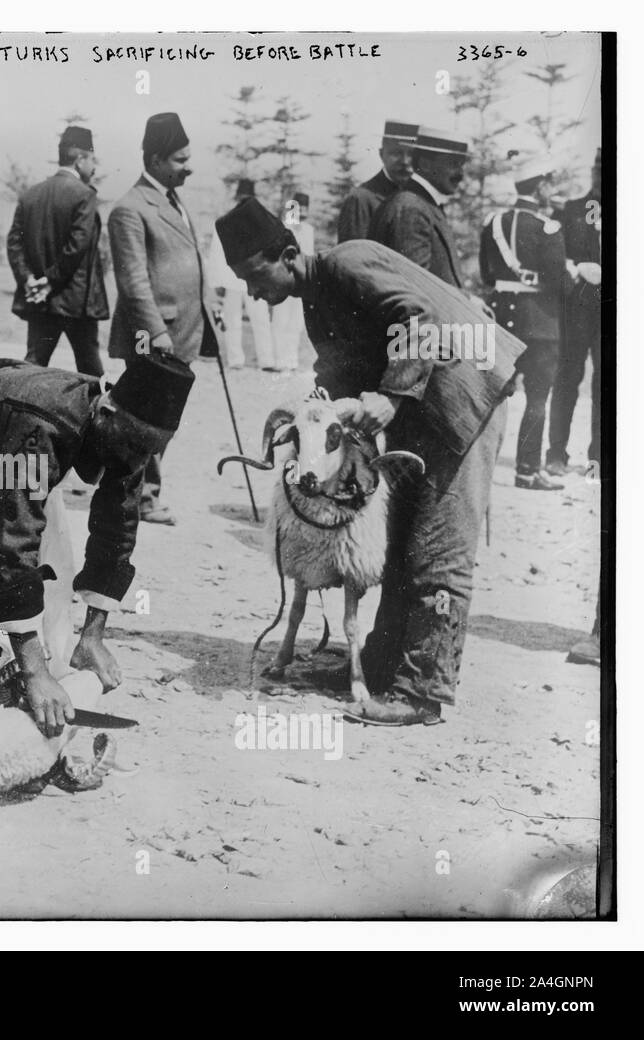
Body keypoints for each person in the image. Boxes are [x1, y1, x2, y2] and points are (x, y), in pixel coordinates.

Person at [218, 198, 526, 727]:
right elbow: (339, 371)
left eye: (254, 275)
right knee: (401, 538)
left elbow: (418, 316)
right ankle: (379, 668)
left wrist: (392, 396)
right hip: (424, 408)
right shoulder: (318, 297)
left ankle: (422, 692)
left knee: (439, 545)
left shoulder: (347, 262)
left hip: (464, 397)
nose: (253, 292)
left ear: (288, 254)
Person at [0, 353, 193, 734]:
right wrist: (36, 671)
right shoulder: (47, 425)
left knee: (53, 577)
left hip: (16, 443)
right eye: (137, 445)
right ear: (105, 412)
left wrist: (93, 635)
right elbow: (16, 538)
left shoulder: (129, 431)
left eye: (151, 449)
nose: (139, 458)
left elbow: (117, 527)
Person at [108, 112, 215, 526]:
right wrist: (155, 333)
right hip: (155, 339)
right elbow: (133, 281)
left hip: (183, 331)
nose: (188, 167)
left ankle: (139, 493)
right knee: (146, 421)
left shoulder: (172, 199)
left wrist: (209, 304)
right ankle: (140, 498)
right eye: (179, 160)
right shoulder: (129, 209)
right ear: (154, 160)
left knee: (162, 419)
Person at [480, 158, 573, 491]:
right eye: (549, 183)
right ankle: (526, 471)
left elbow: (487, 276)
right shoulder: (548, 228)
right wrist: (572, 274)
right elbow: (559, 284)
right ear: (540, 186)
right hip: (539, 325)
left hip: (499, 319)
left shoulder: (493, 224)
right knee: (536, 398)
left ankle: (475, 469)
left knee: (487, 395)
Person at [6, 125, 109, 378]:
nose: (94, 167)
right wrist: (50, 282)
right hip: (76, 303)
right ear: (80, 159)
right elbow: (77, 246)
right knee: (91, 372)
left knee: (31, 369)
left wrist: (29, 280)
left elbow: (13, 244)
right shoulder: (84, 195)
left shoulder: (31, 194)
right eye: (92, 159)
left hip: (39, 302)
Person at [548, 147, 603, 477]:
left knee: (607, 384)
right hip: (576, 310)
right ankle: (556, 453)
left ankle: (599, 459)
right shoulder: (570, 211)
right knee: (567, 379)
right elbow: (553, 259)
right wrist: (577, 267)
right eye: (598, 168)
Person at [370, 125, 470, 287]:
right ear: (425, 164)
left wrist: (468, 300)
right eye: (453, 164)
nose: (460, 174)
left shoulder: (422, 204)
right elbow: (415, 290)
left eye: (461, 164)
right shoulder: (411, 208)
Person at [207, 179, 276, 371]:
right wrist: (217, 279)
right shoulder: (226, 220)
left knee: (261, 318)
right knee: (232, 319)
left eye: (248, 199)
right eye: (242, 198)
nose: (244, 202)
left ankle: (266, 360)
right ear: (237, 198)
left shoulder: (259, 221)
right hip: (232, 278)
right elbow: (217, 251)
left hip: (254, 278)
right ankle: (235, 359)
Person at [336, 120, 417, 242]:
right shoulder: (360, 200)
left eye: (411, 154)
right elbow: (351, 256)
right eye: (396, 153)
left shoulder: (419, 199)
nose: (405, 161)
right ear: (381, 154)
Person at [269, 191, 314, 373]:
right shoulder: (283, 228)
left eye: (305, 209)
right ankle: (279, 359)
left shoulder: (309, 230)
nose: (301, 212)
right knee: (280, 320)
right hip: (283, 280)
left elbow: (308, 256)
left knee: (296, 322)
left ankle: (291, 359)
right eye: (298, 208)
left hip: (300, 282)